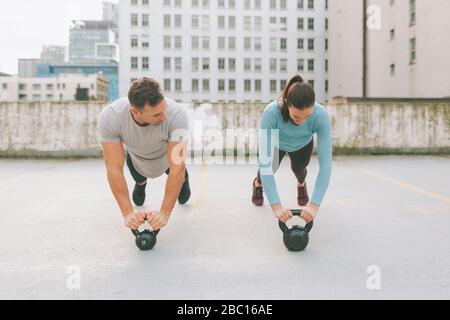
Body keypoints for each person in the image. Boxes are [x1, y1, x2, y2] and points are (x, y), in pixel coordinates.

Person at [98, 77, 191, 232]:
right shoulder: (111, 116)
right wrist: (128, 213)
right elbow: (113, 168)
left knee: (181, 186)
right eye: (156, 115)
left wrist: (164, 213)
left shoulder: (177, 115)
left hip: (165, 157)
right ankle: (141, 184)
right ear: (135, 111)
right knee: (139, 178)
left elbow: (177, 167)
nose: (164, 117)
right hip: (136, 158)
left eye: (164, 109)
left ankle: (185, 179)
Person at [252, 74, 332, 224]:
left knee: (299, 170)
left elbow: (326, 164)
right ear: (287, 103)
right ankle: (257, 184)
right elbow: (266, 164)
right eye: (296, 117)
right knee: (268, 169)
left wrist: (314, 205)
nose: (302, 122)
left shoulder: (321, 116)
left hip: (302, 145)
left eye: (307, 117)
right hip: (277, 144)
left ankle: (301, 184)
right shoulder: (271, 113)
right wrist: (276, 206)